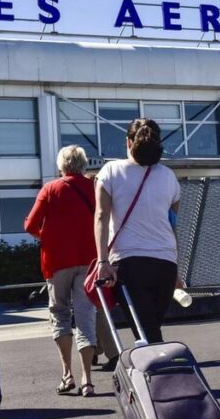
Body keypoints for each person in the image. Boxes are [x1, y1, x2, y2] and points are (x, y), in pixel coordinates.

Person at [95, 118, 181, 345]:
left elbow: (102, 216)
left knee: (148, 335)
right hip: (166, 263)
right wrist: (177, 267)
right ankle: (152, 374)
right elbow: (172, 223)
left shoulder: (110, 171)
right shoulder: (169, 176)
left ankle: (162, 375)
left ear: (128, 142)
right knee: (150, 329)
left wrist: (103, 261)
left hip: (129, 263)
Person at [25, 145, 98, 397]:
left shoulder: (50, 189)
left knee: (60, 314)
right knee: (86, 317)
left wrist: (47, 236)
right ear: (83, 163)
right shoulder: (94, 188)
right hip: (89, 261)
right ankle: (87, 379)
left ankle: (67, 374)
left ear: (61, 165)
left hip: (57, 261)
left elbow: (31, 225)